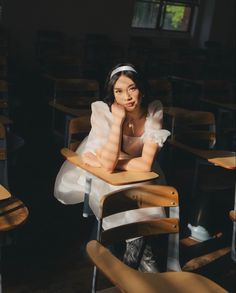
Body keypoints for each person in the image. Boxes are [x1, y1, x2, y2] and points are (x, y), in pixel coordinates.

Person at [54, 63, 171, 271]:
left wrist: (118, 159)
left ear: (141, 88)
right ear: (112, 93)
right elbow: (107, 168)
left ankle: (135, 266)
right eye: (118, 91)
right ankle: (139, 266)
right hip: (103, 177)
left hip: (142, 176)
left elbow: (145, 166)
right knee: (130, 202)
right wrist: (117, 122)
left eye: (132, 88)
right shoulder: (104, 112)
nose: (126, 97)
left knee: (146, 195)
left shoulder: (154, 111)